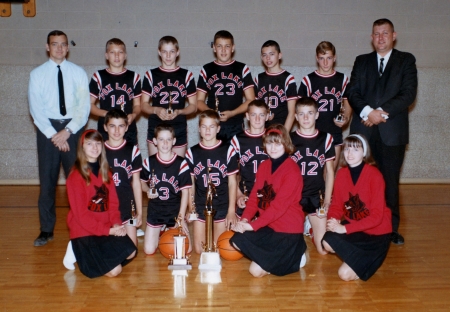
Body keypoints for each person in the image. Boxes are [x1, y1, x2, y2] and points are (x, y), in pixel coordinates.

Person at [345, 18, 418, 245]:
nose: (380, 38)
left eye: (385, 33)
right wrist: (368, 112)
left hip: (392, 131)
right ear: (371, 37)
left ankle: (390, 229)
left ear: (393, 35)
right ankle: (356, 224)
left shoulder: (406, 60)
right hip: (363, 130)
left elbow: (408, 94)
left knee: (389, 182)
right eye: (376, 34)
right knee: (357, 180)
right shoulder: (361, 61)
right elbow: (352, 92)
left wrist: (380, 113)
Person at [28, 30, 90, 246]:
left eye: (63, 44)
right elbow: (36, 110)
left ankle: (83, 226)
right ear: (48, 47)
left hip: (72, 129)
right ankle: (46, 230)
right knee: (47, 184)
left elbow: (84, 108)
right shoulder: (37, 75)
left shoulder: (78, 73)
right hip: (48, 131)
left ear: (68, 47)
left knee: (78, 182)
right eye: (55, 44)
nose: (59, 48)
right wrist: (54, 135)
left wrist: (68, 131)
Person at [230, 124, 306, 277]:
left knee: (255, 271)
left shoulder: (292, 170)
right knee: (236, 240)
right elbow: (254, 199)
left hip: (288, 230)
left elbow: (278, 207)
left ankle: (297, 255)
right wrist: (244, 219)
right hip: (270, 227)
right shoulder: (264, 166)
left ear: (286, 144)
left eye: (277, 143)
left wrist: (252, 226)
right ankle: (277, 257)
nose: (273, 147)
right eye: (270, 143)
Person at [66, 129, 137, 278]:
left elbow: (113, 205)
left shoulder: (106, 172)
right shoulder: (75, 177)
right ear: (82, 147)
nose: (95, 147)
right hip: (85, 232)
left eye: (98, 144)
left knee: (132, 252)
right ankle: (74, 250)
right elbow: (82, 216)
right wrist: (109, 231)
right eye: (89, 144)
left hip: (104, 230)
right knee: (115, 271)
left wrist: (116, 224)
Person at [322, 134, 392, 281]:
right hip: (356, 228)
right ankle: (358, 257)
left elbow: (377, 217)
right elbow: (336, 206)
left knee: (344, 275)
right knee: (327, 242)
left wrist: (344, 229)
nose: (349, 153)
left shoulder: (375, 175)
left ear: (364, 152)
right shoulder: (341, 174)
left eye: (355, 149)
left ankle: (370, 257)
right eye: (347, 149)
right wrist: (332, 222)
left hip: (376, 234)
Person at [185, 110, 239, 254]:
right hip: (202, 203)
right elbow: (190, 183)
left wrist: (231, 211)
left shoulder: (228, 150)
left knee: (219, 248)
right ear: (198, 128)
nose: (207, 130)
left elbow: (233, 182)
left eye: (211, 126)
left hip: (222, 204)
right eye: (204, 126)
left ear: (218, 128)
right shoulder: (192, 152)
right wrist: (192, 208)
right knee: (199, 250)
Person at [290, 97, 335, 255]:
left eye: (310, 113)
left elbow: (329, 171)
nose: (306, 118)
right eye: (301, 114)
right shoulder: (289, 139)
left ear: (317, 115)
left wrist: (328, 200)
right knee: (291, 244)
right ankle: (303, 224)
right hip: (294, 197)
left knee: (323, 250)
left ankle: (310, 227)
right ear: (295, 117)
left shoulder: (326, 138)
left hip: (316, 195)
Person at [298, 41, 351, 170]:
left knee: (331, 172)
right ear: (317, 59)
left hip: (334, 132)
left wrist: (346, 118)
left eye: (329, 58)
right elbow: (300, 109)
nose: (325, 63)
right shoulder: (308, 80)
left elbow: (347, 105)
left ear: (335, 58)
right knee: (314, 174)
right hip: (314, 133)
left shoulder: (343, 79)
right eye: (322, 58)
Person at [141, 36, 197, 157]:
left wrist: (179, 111)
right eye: (164, 52)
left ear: (177, 52)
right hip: (156, 126)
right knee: (155, 168)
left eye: (171, 51)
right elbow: (143, 105)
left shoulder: (187, 75)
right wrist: (156, 109)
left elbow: (194, 106)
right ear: (159, 52)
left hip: (178, 126)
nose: (168, 56)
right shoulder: (150, 75)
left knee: (178, 169)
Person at [140, 125, 192, 255]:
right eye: (161, 139)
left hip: (174, 210)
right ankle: (161, 231)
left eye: (168, 139)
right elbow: (141, 182)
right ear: (155, 141)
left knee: (187, 249)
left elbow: (186, 192)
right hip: (155, 210)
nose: (165, 143)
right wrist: (147, 190)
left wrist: (180, 217)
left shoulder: (182, 163)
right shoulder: (148, 162)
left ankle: (168, 229)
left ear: (174, 141)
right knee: (149, 250)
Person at [197, 30, 255, 142]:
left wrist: (233, 113)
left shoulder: (242, 68)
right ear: (214, 48)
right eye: (219, 46)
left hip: (235, 124)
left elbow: (251, 100)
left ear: (233, 48)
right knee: (214, 158)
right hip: (212, 126)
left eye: (227, 46)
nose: (223, 50)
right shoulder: (206, 69)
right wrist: (212, 113)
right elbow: (199, 101)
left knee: (235, 158)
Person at [89, 38, 142, 146]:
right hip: (106, 129)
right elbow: (89, 105)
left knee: (130, 160)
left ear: (125, 55)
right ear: (106, 55)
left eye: (120, 52)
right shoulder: (98, 76)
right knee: (105, 161)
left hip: (127, 129)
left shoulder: (134, 77)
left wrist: (134, 114)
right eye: (112, 52)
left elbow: (137, 105)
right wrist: (107, 114)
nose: (117, 56)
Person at [103, 109, 143, 246]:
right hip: (105, 207)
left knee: (132, 250)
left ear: (126, 128)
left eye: (121, 126)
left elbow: (136, 183)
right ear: (105, 127)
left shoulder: (133, 150)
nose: (116, 131)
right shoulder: (100, 151)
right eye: (112, 126)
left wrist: (140, 212)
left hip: (127, 208)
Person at [230, 100, 270, 218]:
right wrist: (238, 195)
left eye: (261, 115)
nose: (257, 119)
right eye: (253, 115)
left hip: (270, 196)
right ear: (247, 116)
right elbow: (232, 174)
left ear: (267, 116)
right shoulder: (237, 140)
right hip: (246, 195)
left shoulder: (274, 137)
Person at [254, 40, 298, 131]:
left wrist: (284, 135)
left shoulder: (288, 78)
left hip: (281, 128)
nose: (268, 58)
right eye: (264, 55)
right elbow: (254, 109)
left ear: (279, 55)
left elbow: (292, 112)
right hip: (262, 130)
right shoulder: (258, 78)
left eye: (271, 54)